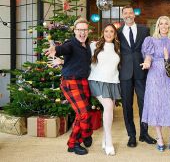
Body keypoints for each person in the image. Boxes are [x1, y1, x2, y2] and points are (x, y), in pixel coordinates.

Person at [45, 18, 93, 155]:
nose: (82, 32)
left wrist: (62, 61)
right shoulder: (71, 43)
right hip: (70, 83)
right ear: (75, 31)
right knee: (83, 113)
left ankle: (85, 134)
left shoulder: (87, 46)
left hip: (83, 82)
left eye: (84, 30)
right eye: (79, 30)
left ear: (87, 31)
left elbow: (78, 61)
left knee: (84, 113)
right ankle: (75, 143)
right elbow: (64, 48)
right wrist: (56, 50)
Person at [140, 16, 170, 152]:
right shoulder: (151, 40)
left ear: (169, 26)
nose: (163, 26)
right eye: (161, 24)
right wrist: (147, 63)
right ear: (157, 26)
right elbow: (148, 56)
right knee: (156, 106)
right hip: (154, 76)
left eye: (166, 24)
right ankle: (159, 137)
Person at [117, 5, 156, 147]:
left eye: (130, 13)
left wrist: (149, 60)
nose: (128, 15)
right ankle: (131, 135)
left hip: (142, 71)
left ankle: (144, 133)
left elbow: (149, 48)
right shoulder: (118, 32)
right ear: (123, 16)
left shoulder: (144, 30)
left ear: (134, 15)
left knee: (144, 103)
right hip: (125, 72)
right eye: (125, 13)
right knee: (127, 105)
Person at [88, 24, 121, 156]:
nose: (108, 34)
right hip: (97, 80)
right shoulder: (94, 46)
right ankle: (108, 141)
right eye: (106, 31)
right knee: (107, 106)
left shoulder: (118, 48)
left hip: (112, 82)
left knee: (110, 109)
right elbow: (80, 56)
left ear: (114, 34)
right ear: (103, 33)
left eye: (111, 31)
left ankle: (104, 139)